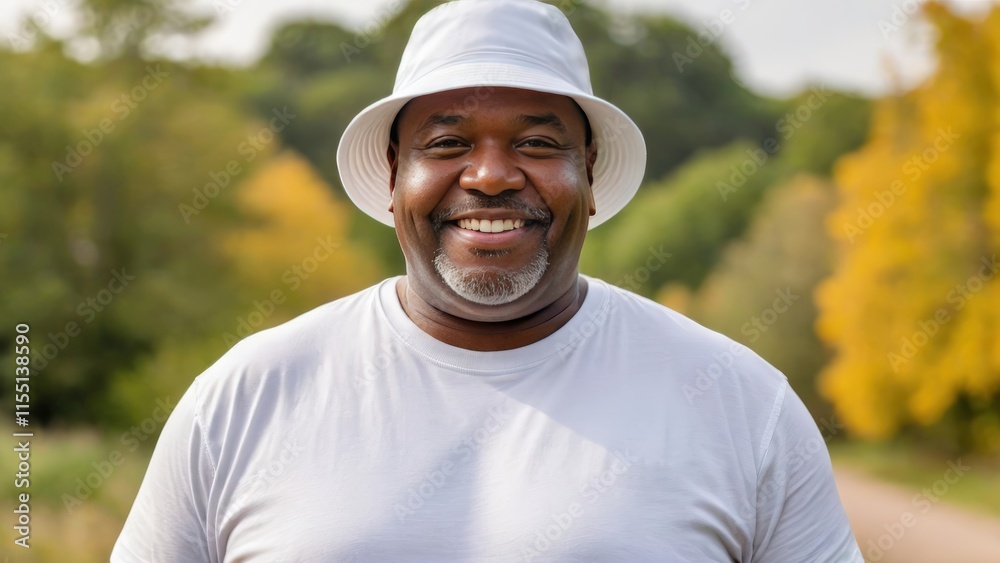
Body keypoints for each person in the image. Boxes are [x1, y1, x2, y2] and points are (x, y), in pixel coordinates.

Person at [113, 0, 863, 561]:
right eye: (448, 143)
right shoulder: (245, 396)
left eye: (538, 142)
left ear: (591, 177)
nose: (492, 175)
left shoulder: (740, 402)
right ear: (392, 179)